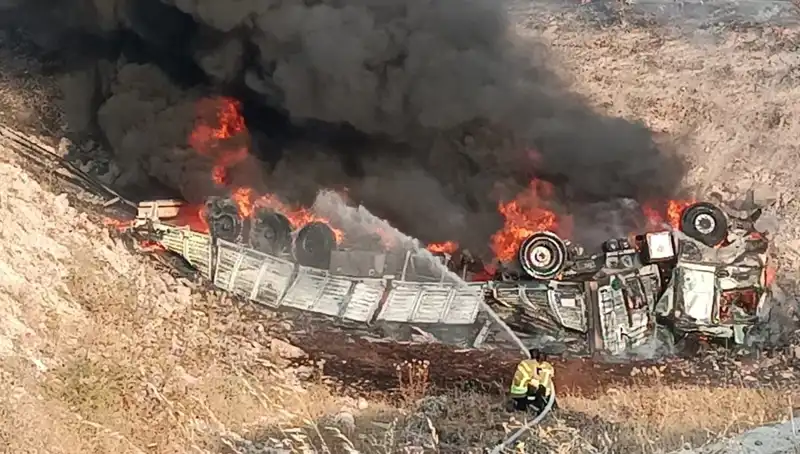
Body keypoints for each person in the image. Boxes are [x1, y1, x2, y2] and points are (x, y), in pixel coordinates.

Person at [508, 349, 557, 414]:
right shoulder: (536, 366)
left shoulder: (524, 362)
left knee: (531, 386)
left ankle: (520, 404)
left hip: (513, 388)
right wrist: (542, 376)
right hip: (521, 392)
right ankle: (535, 408)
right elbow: (536, 377)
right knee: (536, 391)